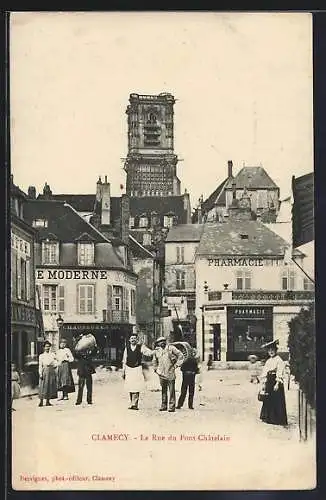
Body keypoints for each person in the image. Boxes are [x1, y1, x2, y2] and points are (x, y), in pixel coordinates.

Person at [259, 339, 288, 426]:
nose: (271, 352)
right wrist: (264, 383)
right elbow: (265, 372)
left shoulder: (279, 360)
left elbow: (280, 372)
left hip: (275, 381)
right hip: (269, 381)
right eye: (269, 351)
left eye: (273, 350)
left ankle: (277, 419)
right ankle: (268, 417)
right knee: (268, 398)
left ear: (276, 350)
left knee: (276, 399)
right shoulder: (268, 361)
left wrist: (277, 383)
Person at [122, 333, 153, 410]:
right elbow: (124, 360)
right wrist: (123, 371)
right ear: (129, 340)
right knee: (130, 386)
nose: (133, 340)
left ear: (137, 340)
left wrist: (155, 351)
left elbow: (148, 353)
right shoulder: (127, 348)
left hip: (137, 369)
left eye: (134, 338)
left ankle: (135, 404)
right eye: (131, 338)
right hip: (129, 368)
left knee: (136, 386)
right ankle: (132, 403)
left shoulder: (141, 347)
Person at [152, 336, 184, 412]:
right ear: (158, 343)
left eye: (163, 341)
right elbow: (154, 360)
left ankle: (171, 406)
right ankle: (164, 405)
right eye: (160, 341)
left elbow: (181, 355)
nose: (162, 342)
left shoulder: (171, 348)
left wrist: (176, 365)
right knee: (163, 390)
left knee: (171, 390)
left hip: (170, 372)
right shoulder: (157, 350)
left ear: (165, 341)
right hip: (161, 373)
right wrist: (155, 369)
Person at [75, 335, 97, 406]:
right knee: (80, 386)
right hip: (81, 371)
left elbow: (95, 352)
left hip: (88, 371)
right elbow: (75, 353)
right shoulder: (79, 353)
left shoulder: (89, 352)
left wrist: (95, 346)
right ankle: (79, 400)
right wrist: (77, 343)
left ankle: (89, 400)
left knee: (89, 386)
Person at [38, 340, 58, 407]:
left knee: (50, 385)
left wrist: (55, 365)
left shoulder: (52, 355)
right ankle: (41, 401)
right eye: (46, 346)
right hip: (45, 370)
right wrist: (40, 373)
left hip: (51, 370)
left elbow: (56, 362)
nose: (47, 348)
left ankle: (48, 401)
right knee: (43, 385)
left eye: (49, 346)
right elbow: (40, 365)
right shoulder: (41, 356)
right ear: (44, 347)